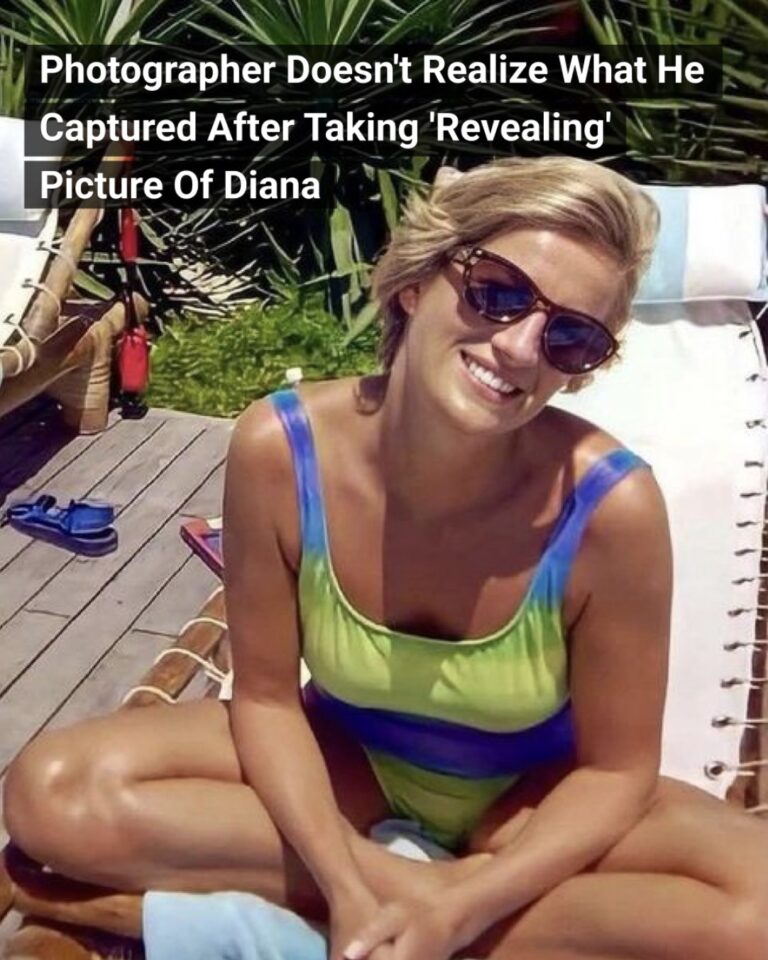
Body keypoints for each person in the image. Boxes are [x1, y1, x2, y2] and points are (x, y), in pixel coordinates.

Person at [4, 156, 768, 960]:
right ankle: (430, 914)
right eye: (498, 293)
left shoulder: (610, 506)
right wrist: (346, 880)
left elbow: (615, 775)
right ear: (416, 282)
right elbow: (266, 702)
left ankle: (232, 919)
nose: (520, 347)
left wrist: (465, 905)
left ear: (582, 368)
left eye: (570, 336)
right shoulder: (282, 448)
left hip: (529, 800)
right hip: (347, 766)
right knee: (53, 794)